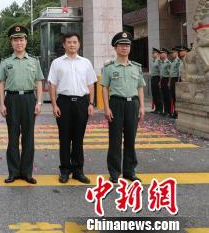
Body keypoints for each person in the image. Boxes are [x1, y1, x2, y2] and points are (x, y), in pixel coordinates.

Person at [48, 32, 97, 184]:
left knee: (78, 138)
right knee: (64, 138)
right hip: (64, 102)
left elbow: (91, 84)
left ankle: (78, 171)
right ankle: (64, 170)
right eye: (69, 42)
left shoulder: (86, 63)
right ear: (64, 45)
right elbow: (52, 84)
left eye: (75, 42)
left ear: (79, 44)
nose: (72, 45)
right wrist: (54, 104)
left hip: (82, 103)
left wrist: (90, 103)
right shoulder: (57, 63)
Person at [0, 25, 44, 184]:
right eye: (16, 40)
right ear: (11, 43)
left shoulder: (33, 61)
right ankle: (13, 172)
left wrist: (39, 102)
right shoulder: (6, 62)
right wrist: (2, 103)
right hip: (11, 100)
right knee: (12, 137)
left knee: (28, 137)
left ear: (26, 41)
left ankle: (27, 172)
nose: (19, 42)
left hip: (29, 99)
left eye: (21, 39)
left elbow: (38, 82)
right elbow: (1, 83)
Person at [101, 31, 145, 183]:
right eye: (121, 45)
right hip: (116, 104)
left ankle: (129, 171)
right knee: (115, 139)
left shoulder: (136, 67)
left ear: (130, 48)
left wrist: (141, 107)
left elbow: (140, 87)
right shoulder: (109, 67)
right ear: (115, 47)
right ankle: (114, 172)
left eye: (127, 45)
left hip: (132, 104)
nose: (124, 48)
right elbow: (105, 88)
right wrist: (106, 108)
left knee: (130, 139)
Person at [168, 47, 182, 119]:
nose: (172, 54)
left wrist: (178, 82)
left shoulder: (178, 61)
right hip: (172, 79)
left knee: (176, 97)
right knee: (172, 96)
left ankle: (177, 113)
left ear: (176, 53)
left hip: (176, 79)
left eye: (173, 53)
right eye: (171, 53)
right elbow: (170, 73)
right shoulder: (173, 61)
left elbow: (179, 73)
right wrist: (169, 82)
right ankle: (174, 112)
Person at [159, 48, 172, 117]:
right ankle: (165, 111)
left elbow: (170, 74)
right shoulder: (161, 62)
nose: (161, 54)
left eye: (162, 53)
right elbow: (161, 74)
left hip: (167, 80)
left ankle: (169, 112)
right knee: (163, 96)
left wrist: (169, 82)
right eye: (160, 53)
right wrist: (160, 81)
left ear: (166, 54)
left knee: (167, 96)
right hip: (162, 80)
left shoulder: (168, 63)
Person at [149, 48, 163, 115]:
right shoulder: (152, 61)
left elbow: (161, 71)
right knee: (154, 93)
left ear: (157, 54)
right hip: (153, 78)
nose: (152, 54)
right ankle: (156, 108)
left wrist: (160, 81)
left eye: (154, 53)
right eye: (152, 53)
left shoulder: (159, 61)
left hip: (157, 78)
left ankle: (160, 109)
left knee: (158, 94)